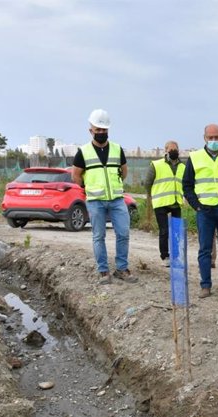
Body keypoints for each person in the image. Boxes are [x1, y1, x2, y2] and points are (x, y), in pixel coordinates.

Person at [72, 108, 137, 285]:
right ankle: (103, 271)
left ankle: (121, 269)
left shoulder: (117, 149)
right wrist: (87, 187)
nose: (101, 133)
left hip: (116, 199)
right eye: (98, 129)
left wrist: (115, 185)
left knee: (123, 233)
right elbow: (76, 175)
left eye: (104, 130)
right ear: (91, 130)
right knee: (98, 236)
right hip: (95, 201)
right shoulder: (83, 152)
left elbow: (123, 172)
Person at [182, 124, 218, 299]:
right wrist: (196, 205)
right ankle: (205, 285)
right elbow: (187, 184)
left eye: (216, 137)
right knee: (205, 249)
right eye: (210, 137)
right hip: (205, 211)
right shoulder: (195, 157)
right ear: (204, 138)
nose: (214, 141)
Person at [144, 140, 185, 267]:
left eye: (175, 149)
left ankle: (176, 256)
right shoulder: (156, 165)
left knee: (176, 231)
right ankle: (165, 256)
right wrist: (151, 195)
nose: (173, 151)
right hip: (161, 202)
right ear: (165, 151)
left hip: (176, 202)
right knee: (164, 230)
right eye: (171, 149)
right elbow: (147, 183)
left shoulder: (183, 167)